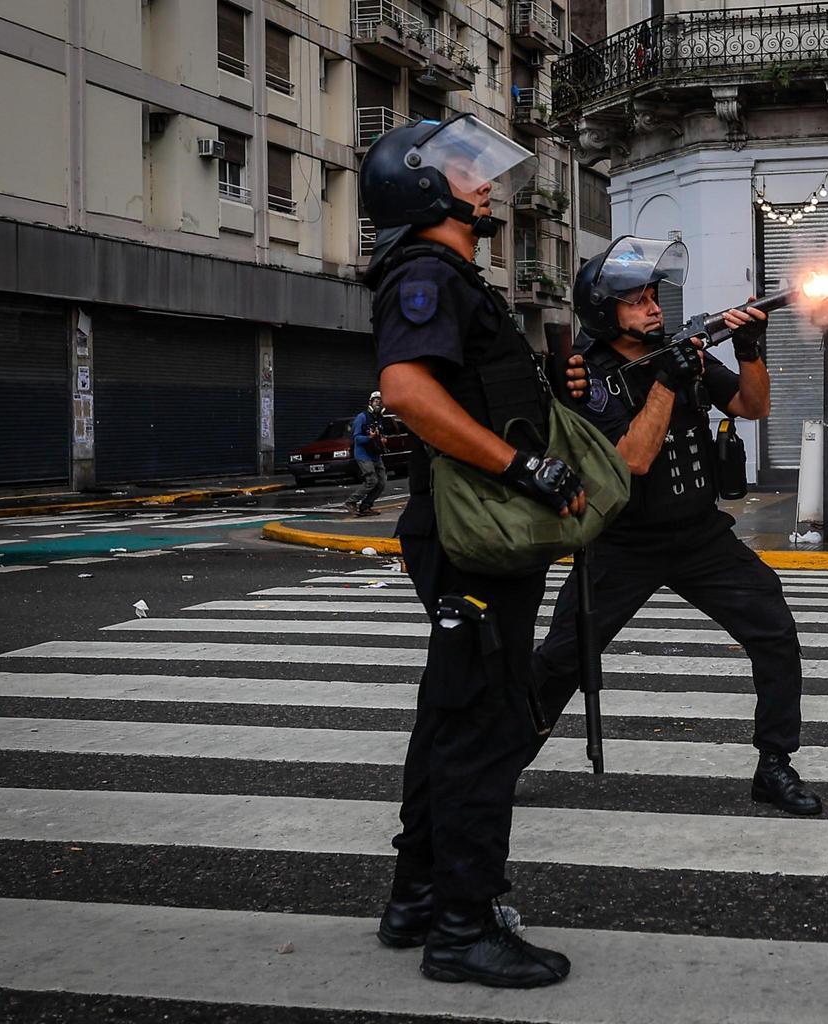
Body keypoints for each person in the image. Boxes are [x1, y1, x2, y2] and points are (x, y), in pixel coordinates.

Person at [361, 113, 586, 989]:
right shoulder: (424, 274)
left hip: (477, 539)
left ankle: (417, 897)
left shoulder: (455, 276)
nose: (485, 182)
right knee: (483, 729)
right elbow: (408, 390)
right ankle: (462, 928)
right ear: (423, 188)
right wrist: (521, 464)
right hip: (472, 539)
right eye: (465, 171)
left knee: (449, 718)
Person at [532, 237, 822, 817]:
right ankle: (497, 760)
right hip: (624, 541)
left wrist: (749, 349)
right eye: (636, 300)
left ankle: (774, 764)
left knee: (772, 626)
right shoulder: (585, 377)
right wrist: (665, 382)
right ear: (603, 311)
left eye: (653, 296)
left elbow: (751, 407)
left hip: (698, 534)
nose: (653, 307)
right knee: (565, 655)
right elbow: (631, 460)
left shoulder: (677, 350)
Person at [344, 390, 387, 516]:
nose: (378, 403)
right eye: (376, 401)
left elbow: (379, 434)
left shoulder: (379, 418)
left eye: (380, 401)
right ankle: (351, 502)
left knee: (382, 481)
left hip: (375, 454)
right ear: (370, 403)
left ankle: (366, 506)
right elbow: (356, 438)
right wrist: (370, 438)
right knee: (372, 480)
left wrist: (382, 439)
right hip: (363, 455)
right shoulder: (362, 417)